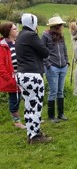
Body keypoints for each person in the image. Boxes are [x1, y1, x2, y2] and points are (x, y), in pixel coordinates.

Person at [15, 13, 51, 144]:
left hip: (22, 75)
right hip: (33, 75)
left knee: (29, 106)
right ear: (33, 22)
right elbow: (45, 52)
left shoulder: (20, 35)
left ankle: (31, 134)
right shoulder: (31, 35)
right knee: (36, 106)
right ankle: (36, 136)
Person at [42, 16, 69, 123]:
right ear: (57, 26)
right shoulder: (45, 36)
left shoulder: (61, 36)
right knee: (53, 91)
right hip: (52, 67)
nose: (62, 27)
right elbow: (42, 51)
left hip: (63, 67)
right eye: (61, 25)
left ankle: (61, 114)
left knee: (60, 91)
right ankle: (51, 116)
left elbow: (64, 49)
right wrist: (48, 65)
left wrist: (67, 61)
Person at [0, 22, 25, 129]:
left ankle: (31, 117)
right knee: (15, 100)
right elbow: (1, 66)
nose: (17, 30)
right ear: (9, 32)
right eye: (15, 29)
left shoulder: (18, 42)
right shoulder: (2, 46)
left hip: (23, 75)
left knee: (26, 97)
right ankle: (17, 122)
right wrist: (10, 79)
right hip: (12, 78)